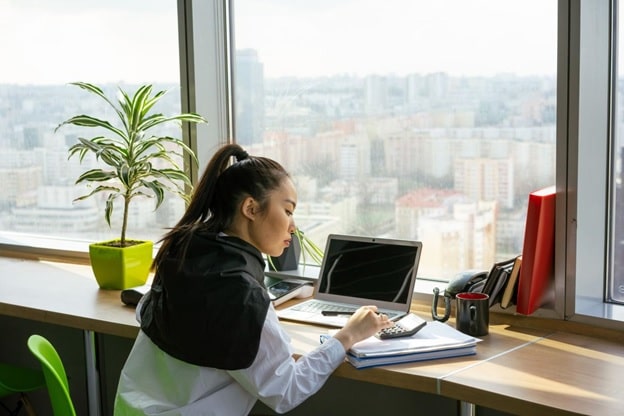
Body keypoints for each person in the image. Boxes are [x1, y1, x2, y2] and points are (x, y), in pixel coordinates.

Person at [114, 143, 393, 415]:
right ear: (250, 208)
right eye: (287, 211)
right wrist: (348, 336)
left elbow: (153, 310)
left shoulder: (183, 250)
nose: (293, 226)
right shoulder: (242, 297)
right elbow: (286, 391)